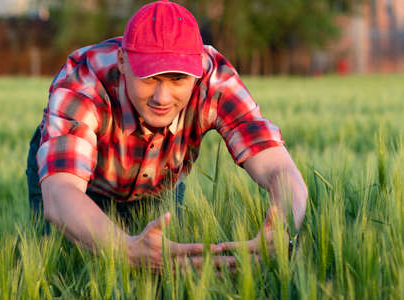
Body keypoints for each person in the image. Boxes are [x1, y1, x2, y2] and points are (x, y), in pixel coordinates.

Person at [26, 0, 307, 271]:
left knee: (169, 269)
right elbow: (61, 192)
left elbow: (277, 167)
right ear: (122, 62)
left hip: (161, 180)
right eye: (150, 78)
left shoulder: (215, 79)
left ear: (198, 70)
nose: (162, 97)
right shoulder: (83, 80)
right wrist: (126, 251)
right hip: (81, 184)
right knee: (62, 265)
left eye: (178, 80)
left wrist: (283, 229)